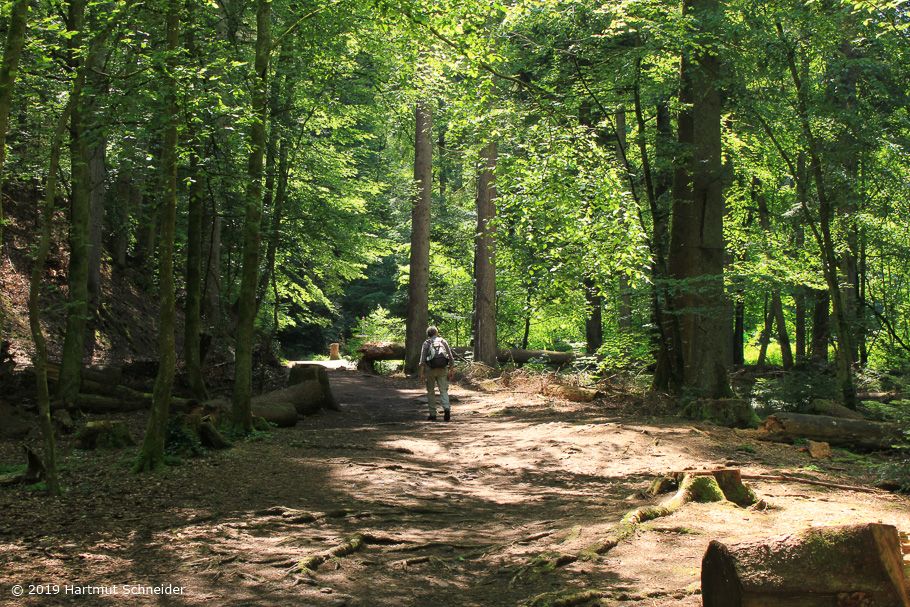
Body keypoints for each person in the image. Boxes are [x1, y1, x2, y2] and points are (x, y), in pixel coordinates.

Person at [418, 326, 455, 421]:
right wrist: (451, 370)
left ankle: (433, 414)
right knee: (443, 390)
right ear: (436, 333)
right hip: (443, 369)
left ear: (428, 334)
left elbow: (422, 360)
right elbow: (450, 357)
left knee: (430, 392)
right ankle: (446, 408)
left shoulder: (426, 343)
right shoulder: (443, 341)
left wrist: (422, 374)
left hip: (430, 370)